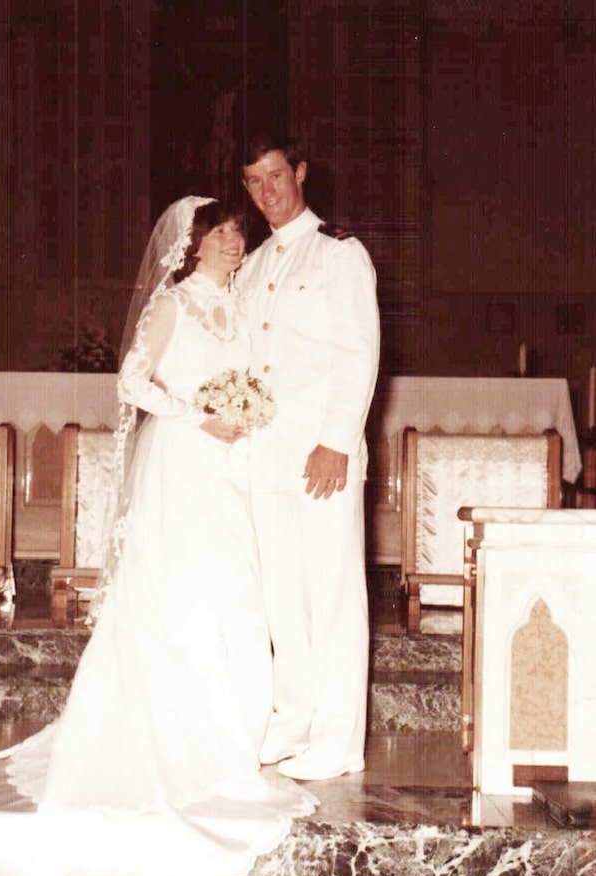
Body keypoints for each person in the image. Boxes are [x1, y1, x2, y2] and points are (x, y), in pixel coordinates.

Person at [0, 196, 316, 876]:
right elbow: (133, 381)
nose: (228, 243)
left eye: (234, 234)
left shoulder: (244, 306)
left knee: (237, 598)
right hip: (183, 463)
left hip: (231, 467)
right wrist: (199, 416)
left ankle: (227, 744)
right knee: (178, 594)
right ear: (189, 247)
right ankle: (173, 742)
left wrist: (249, 412)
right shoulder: (175, 305)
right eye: (216, 235)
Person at [235, 132, 380, 782]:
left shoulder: (339, 255)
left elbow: (357, 353)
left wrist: (335, 442)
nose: (268, 192)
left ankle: (338, 739)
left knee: (330, 595)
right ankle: (293, 719)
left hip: (322, 455)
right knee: (280, 599)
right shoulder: (258, 264)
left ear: (299, 172)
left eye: (275, 176)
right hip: (266, 458)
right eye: (254, 183)